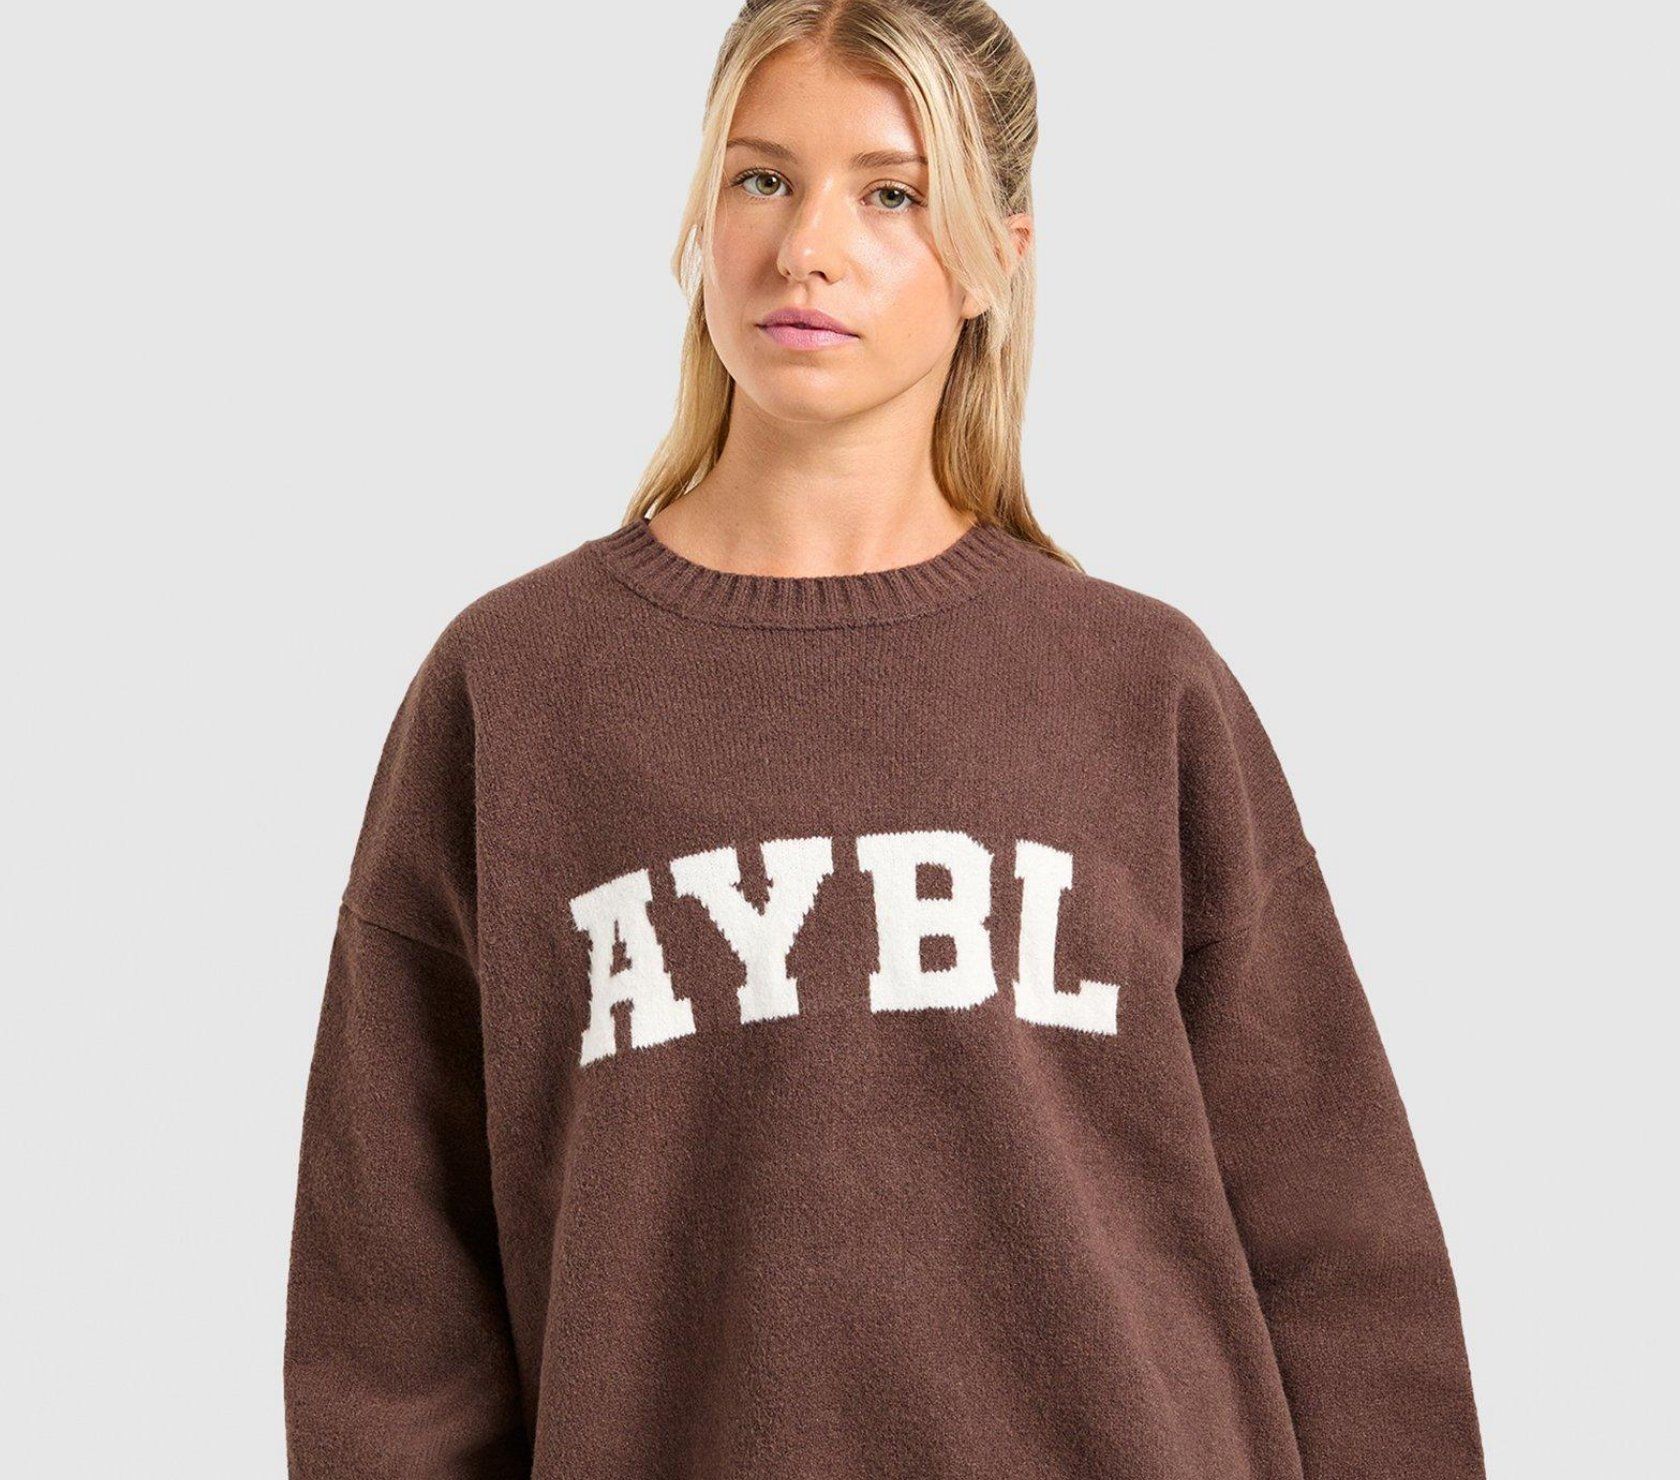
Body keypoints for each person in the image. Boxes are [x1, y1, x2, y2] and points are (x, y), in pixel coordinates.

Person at [282, 2, 1487, 1475]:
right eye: (761, 177)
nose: (808, 249)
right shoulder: (518, 687)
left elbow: (1344, 1252)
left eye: (893, 194)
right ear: (700, 215)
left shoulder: (1136, 685)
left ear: (994, 259)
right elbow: (390, 1301)